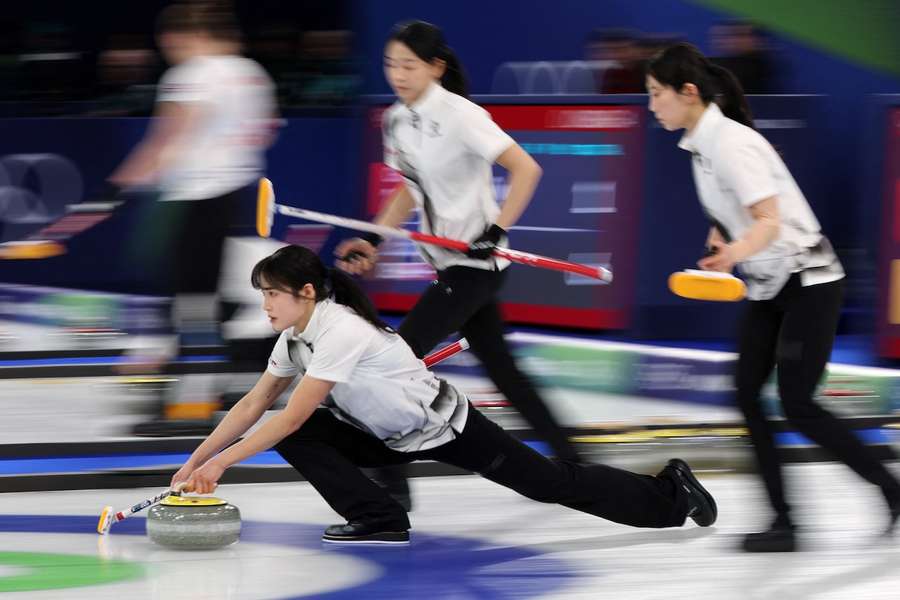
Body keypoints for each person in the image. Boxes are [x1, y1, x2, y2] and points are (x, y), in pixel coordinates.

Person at [172, 244, 717, 543]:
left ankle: (670, 494)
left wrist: (220, 467)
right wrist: (196, 461)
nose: (265, 305)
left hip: (448, 428)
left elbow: (287, 417)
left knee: (551, 484)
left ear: (307, 293)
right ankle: (380, 518)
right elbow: (252, 405)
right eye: (262, 294)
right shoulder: (295, 338)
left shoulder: (337, 330)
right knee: (298, 433)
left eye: (272, 294)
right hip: (389, 437)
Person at [645, 42, 900, 552]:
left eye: (656, 94)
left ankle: (890, 488)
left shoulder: (730, 143)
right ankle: (785, 523)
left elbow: (769, 220)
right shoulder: (701, 145)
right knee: (746, 394)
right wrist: (723, 235)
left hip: (810, 280)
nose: (651, 105)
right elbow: (739, 212)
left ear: (687, 92)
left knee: (798, 403)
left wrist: (733, 251)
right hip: (771, 284)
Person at [334, 20, 579, 506]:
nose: (397, 75)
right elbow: (409, 190)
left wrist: (496, 231)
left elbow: (526, 167)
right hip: (448, 265)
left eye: (409, 65)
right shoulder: (396, 121)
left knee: (393, 360)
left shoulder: (462, 115)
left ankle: (390, 479)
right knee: (504, 370)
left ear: (435, 67)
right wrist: (371, 239)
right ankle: (574, 460)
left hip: (477, 265)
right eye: (390, 64)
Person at [108, 1, 279, 434]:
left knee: (192, 305)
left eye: (168, 42)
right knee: (221, 299)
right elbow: (267, 129)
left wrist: (114, 188)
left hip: (195, 199)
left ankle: (189, 407)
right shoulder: (252, 74)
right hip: (237, 196)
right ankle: (240, 388)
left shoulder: (192, 75)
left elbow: (169, 137)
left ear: (183, 35)